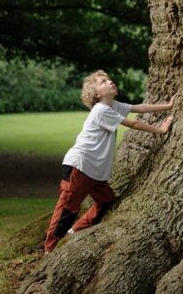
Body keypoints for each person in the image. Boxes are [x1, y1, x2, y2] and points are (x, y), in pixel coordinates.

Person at [43, 70, 175, 254]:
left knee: (106, 200)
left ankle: (75, 230)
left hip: (95, 172)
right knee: (67, 208)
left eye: (109, 79)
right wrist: (160, 130)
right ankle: (49, 249)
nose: (110, 82)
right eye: (103, 82)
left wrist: (167, 106)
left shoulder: (113, 105)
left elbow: (138, 108)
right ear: (96, 94)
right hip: (80, 166)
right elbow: (134, 124)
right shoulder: (101, 110)